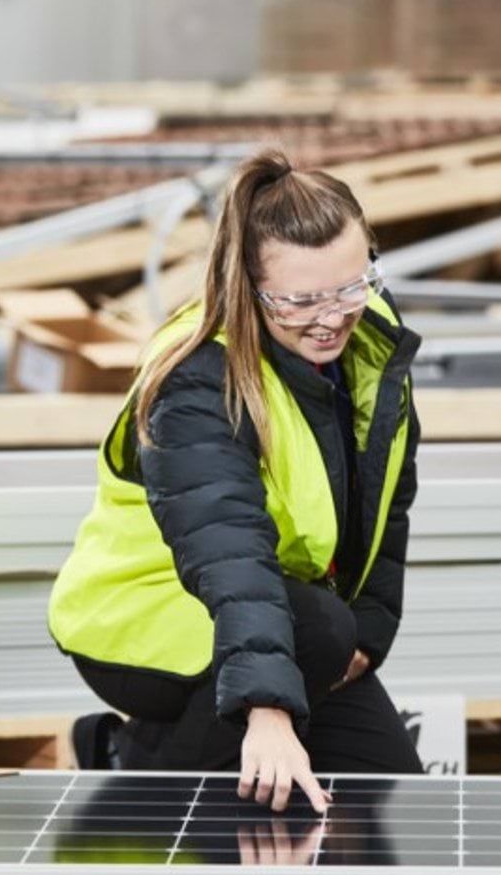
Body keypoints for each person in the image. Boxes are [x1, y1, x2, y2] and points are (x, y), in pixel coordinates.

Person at [49, 150, 423, 814]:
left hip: (286, 621)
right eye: (300, 300)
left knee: (387, 802)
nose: (332, 316)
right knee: (315, 637)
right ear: (249, 286)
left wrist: (370, 630)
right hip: (148, 614)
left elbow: (386, 503)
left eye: (351, 285)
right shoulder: (197, 382)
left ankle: (157, 742)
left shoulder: (371, 347)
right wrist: (269, 708)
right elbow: (231, 553)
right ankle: (124, 768)